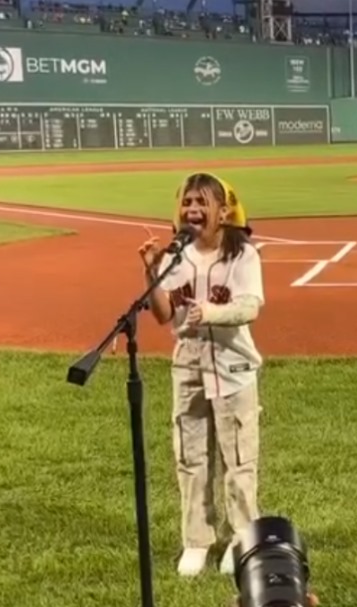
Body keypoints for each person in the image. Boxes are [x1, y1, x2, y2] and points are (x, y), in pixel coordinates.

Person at [137, 172, 266, 577]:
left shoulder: (242, 254)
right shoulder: (178, 256)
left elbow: (250, 306)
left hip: (234, 368)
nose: (193, 209)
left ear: (223, 210)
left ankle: (243, 537)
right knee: (190, 457)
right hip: (188, 366)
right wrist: (151, 272)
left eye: (202, 202)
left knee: (238, 460)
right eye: (187, 202)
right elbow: (162, 315)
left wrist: (210, 312)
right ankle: (197, 540)